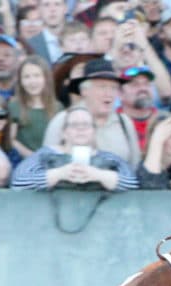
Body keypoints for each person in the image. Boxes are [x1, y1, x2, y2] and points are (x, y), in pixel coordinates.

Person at [11, 103, 139, 190]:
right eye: (74, 125)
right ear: (64, 133)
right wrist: (60, 174)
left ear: (94, 132)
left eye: (86, 125)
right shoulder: (45, 155)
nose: (80, 129)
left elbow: (133, 183)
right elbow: (18, 182)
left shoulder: (108, 158)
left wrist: (98, 175)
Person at [43, 59, 141, 168]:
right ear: (84, 91)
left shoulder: (124, 122)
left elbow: (135, 166)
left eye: (113, 88)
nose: (108, 94)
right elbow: (45, 165)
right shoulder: (63, 120)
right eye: (102, 87)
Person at [9, 55, 61, 158]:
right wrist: (33, 157)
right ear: (20, 81)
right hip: (25, 162)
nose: (32, 81)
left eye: (37, 76)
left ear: (46, 78)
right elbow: (11, 139)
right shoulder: (14, 106)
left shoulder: (58, 107)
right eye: (27, 77)